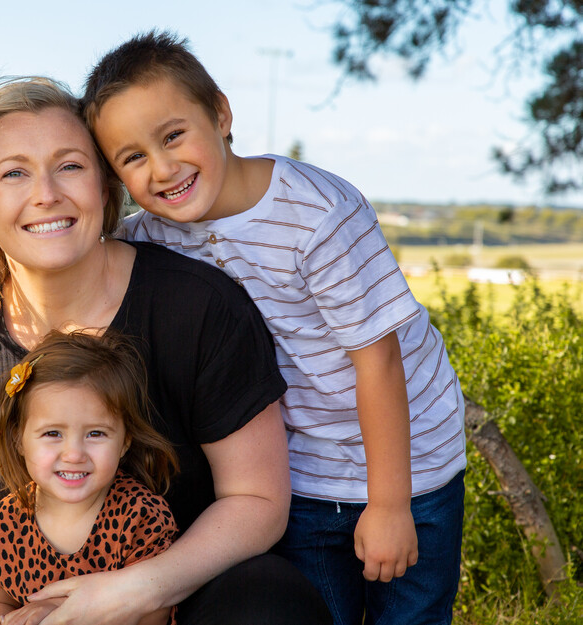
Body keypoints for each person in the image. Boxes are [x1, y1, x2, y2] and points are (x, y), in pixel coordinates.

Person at [0, 76, 331, 625]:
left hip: (184, 596)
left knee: (271, 604)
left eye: (70, 165)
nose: (46, 193)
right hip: (34, 611)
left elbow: (257, 501)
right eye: (14, 172)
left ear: (103, 185)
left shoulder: (196, 307)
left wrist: (132, 592)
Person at [83, 31, 467, 625]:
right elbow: (85, 258)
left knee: (408, 615)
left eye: (173, 135)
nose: (162, 168)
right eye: (132, 157)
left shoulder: (319, 214)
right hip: (299, 475)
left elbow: (379, 362)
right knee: (321, 613)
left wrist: (390, 505)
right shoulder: (151, 234)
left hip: (410, 464)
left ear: (220, 112)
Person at [0, 330, 180, 625]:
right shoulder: (8, 521)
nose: (73, 454)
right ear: (19, 439)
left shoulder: (139, 516)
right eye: (53, 433)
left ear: (125, 441)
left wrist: (57, 608)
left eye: (95, 433)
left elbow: (153, 610)